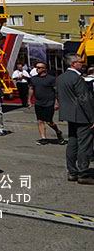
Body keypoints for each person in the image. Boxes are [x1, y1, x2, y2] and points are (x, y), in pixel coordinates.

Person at [55, 56, 94, 184]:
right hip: (82, 115)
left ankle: (72, 172)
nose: (82, 64)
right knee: (85, 144)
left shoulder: (61, 77)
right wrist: (92, 118)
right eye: (80, 62)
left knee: (72, 142)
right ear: (73, 63)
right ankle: (83, 173)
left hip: (69, 114)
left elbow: (59, 95)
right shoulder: (77, 78)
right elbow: (84, 99)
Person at [29, 63, 64, 145]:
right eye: (36, 67)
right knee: (40, 120)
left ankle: (58, 131)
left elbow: (56, 91)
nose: (37, 69)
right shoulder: (33, 79)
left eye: (39, 67)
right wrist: (29, 100)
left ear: (44, 69)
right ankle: (43, 138)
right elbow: (31, 89)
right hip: (38, 102)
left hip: (49, 103)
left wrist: (57, 103)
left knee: (49, 121)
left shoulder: (51, 79)